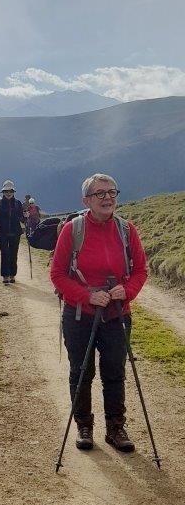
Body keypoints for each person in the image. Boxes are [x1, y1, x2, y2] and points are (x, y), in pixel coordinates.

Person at [50, 173, 148, 453]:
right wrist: (88, 296)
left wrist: (126, 290)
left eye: (112, 192)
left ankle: (115, 428)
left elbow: (141, 271)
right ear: (86, 201)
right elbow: (57, 274)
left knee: (115, 371)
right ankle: (84, 425)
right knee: (81, 372)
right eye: (100, 193)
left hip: (117, 313)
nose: (107, 198)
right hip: (80, 315)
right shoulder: (73, 230)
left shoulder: (127, 230)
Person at [0, 180, 24, 284]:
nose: (8, 193)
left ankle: (12, 275)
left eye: (10, 191)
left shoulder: (18, 203)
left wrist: (26, 217)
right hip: (2, 233)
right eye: (6, 191)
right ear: (3, 192)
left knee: (14, 254)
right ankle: (5, 275)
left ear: (13, 191)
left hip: (15, 232)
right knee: (5, 253)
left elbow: (22, 218)